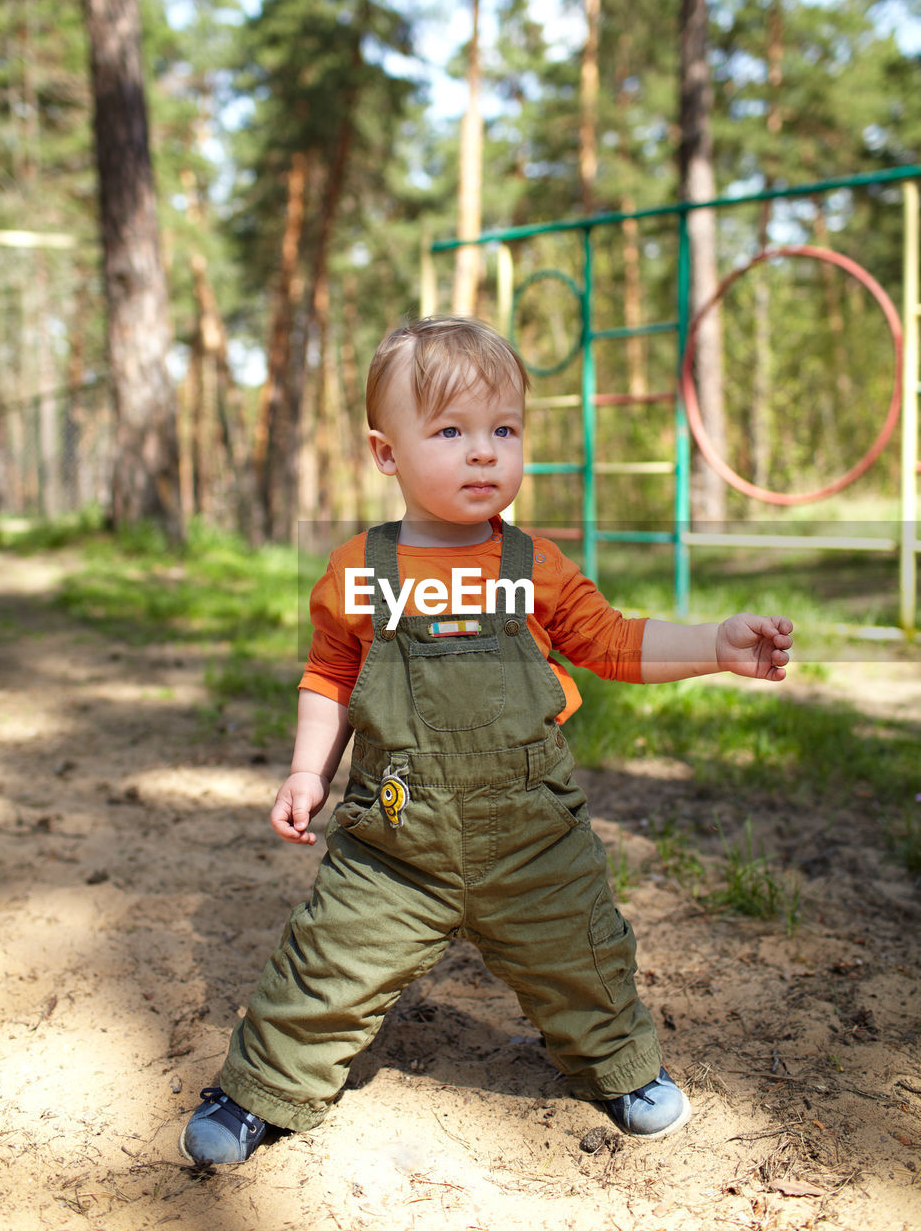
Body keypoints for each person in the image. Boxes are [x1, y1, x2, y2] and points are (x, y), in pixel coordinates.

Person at [180, 315, 793, 1165]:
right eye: (451, 432)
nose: (483, 453)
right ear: (385, 453)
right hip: (395, 837)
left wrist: (714, 646)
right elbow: (329, 676)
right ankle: (262, 1092)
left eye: (503, 430)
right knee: (326, 961)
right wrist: (303, 772)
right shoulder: (360, 569)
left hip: (530, 833)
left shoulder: (532, 564)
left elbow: (611, 641)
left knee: (582, 953)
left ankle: (618, 1065)